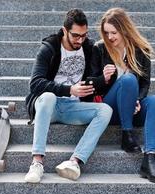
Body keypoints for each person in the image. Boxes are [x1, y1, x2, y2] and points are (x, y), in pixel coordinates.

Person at [24, 8, 112, 183]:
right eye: (75, 36)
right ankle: (37, 162)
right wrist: (68, 90)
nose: (80, 40)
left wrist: (103, 79)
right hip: (49, 106)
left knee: (105, 110)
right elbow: (35, 83)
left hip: (73, 107)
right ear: (65, 31)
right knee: (48, 97)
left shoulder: (88, 48)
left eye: (84, 35)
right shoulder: (49, 48)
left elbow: (92, 83)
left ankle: (74, 162)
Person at [91, 8, 155, 183]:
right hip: (109, 109)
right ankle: (126, 134)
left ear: (124, 29)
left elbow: (145, 83)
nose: (109, 37)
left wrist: (138, 100)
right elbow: (91, 83)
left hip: (132, 109)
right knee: (129, 79)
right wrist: (104, 78)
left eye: (114, 32)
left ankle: (149, 160)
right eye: (106, 32)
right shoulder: (99, 49)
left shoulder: (141, 49)